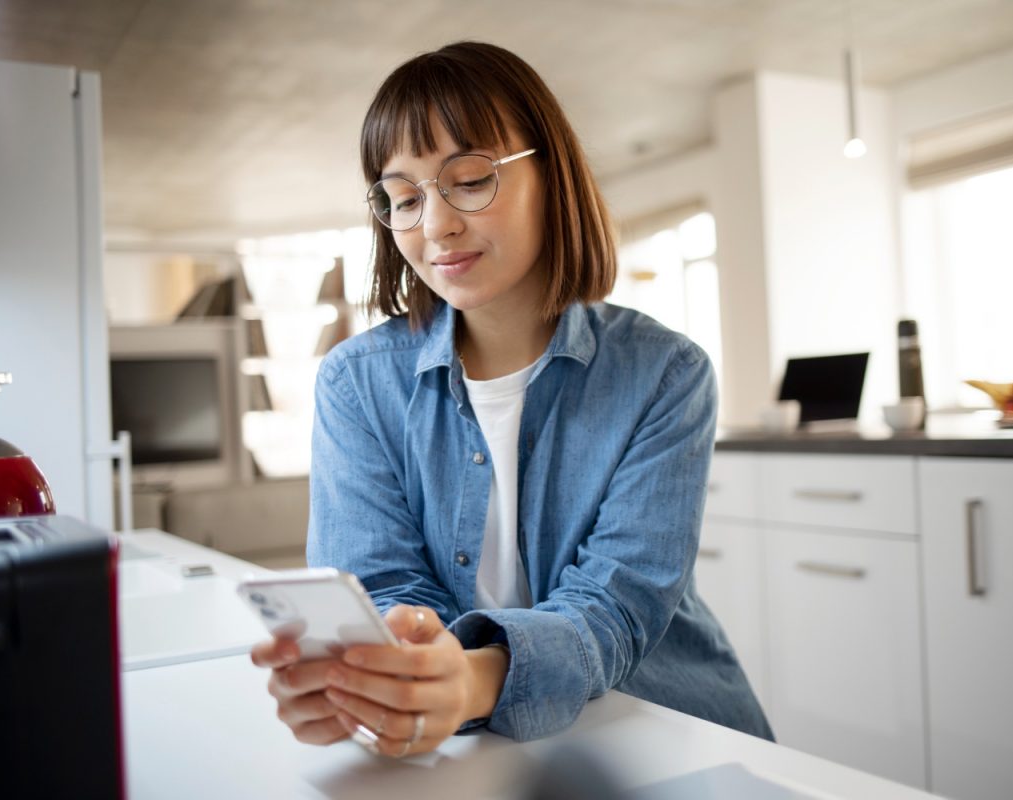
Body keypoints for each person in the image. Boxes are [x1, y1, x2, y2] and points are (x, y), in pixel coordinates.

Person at [250, 40, 772, 758]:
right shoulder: (356, 384)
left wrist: (467, 681)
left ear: (552, 175)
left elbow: (616, 608)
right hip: (478, 752)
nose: (435, 228)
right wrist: (383, 679)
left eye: (468, 181)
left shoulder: (665, 374)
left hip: (661, 727)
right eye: (403, 199)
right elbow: (385, 592)